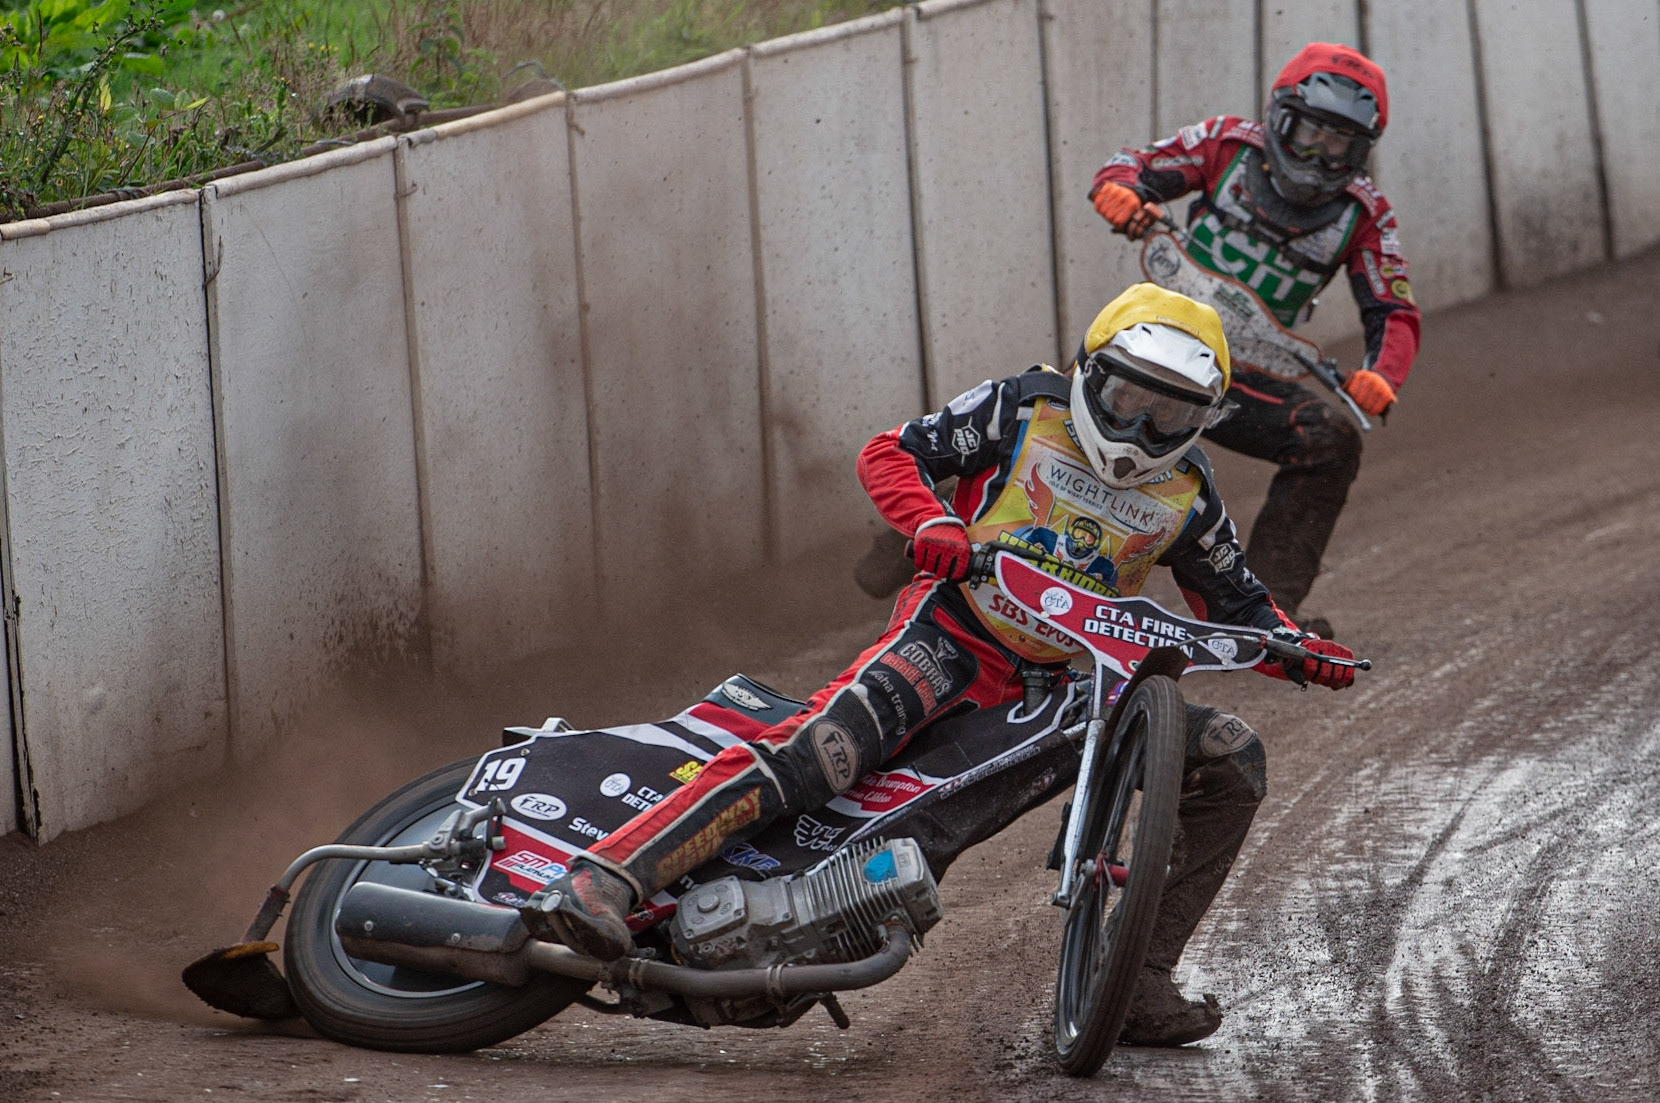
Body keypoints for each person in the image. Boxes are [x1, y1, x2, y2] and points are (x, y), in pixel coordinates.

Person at [528, 284, 1356, 1046]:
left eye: (1168, 415)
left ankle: (1137, 977)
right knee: (821, 751)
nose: (1140, 429)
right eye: (1126, 397)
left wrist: (1302, 654)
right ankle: (607, 878)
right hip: (951, 632)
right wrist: (933, 523)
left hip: (1070, 686)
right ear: (1086, 370)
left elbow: (1243, 607)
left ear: (1205, 420)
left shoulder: (1191, 495)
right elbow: (892, 451)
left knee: (1230, 762)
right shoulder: (1019, 404)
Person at [1090, 42, 1420, 637]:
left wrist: (1381, 375)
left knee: (1331, 440)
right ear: (1277, 117)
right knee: (1047, 409)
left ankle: (1261, 619)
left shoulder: (1366, 213)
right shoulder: (1225, 144)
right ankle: (935, 522)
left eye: (1340, 145)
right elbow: (1129, 164)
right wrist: (1120, 191)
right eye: (1309, 136)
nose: (1320, 158)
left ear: (1363, 151)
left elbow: (1394, 310)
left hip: (1237, 378)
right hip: (1151, 345)